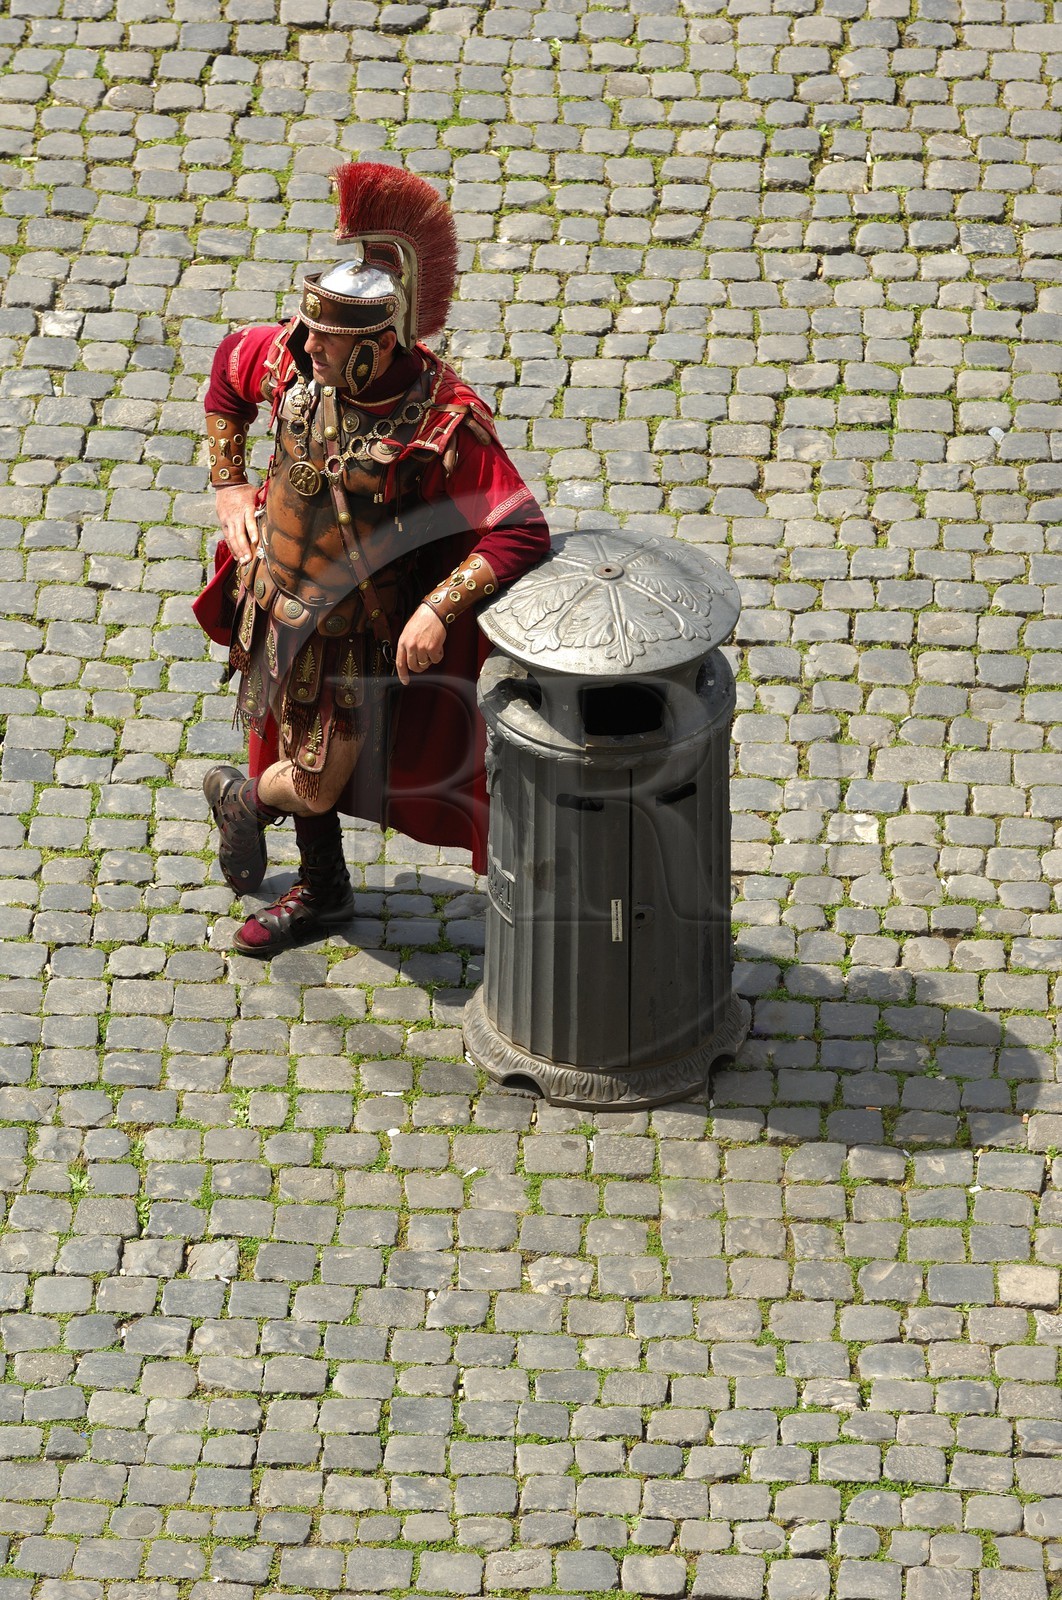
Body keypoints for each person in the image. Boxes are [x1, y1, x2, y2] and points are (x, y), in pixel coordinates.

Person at [191, 161, 550, 956]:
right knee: (293, 745)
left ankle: (244, 803)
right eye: (309, 330)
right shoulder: (288, 362)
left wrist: (437, 607)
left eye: (329, 338)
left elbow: (519, 528)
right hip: (273, 606)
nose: (305, 345)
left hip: (358, 633)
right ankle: (322, 892)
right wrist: (229, 486)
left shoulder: (442, 421)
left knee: (313, 776)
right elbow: (226, 373)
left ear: (377, 346)